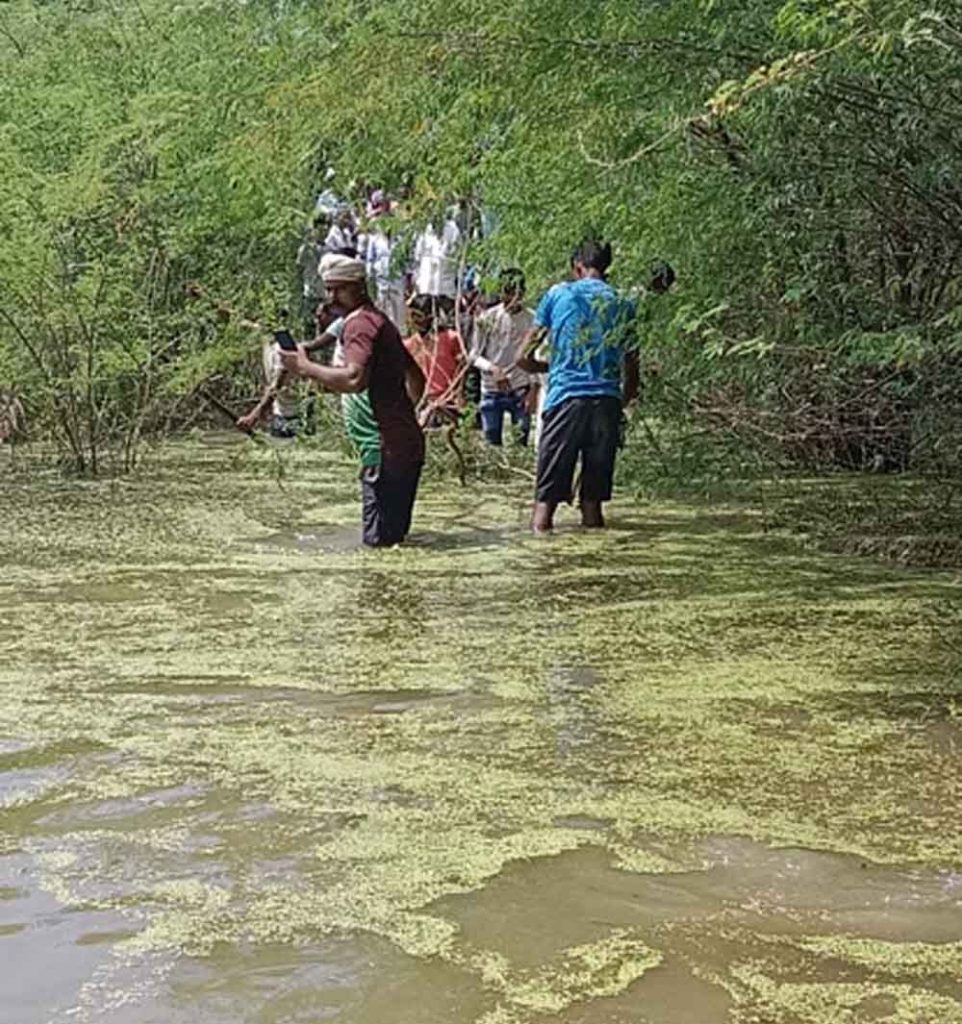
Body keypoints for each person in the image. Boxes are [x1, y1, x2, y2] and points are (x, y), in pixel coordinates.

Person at [279, 254, 426, 548]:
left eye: (340, 289)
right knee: (394, 542)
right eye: (329, 289)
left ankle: (377, 594)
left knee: (378, 547)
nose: (332, 297)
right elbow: (416, 377)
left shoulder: (360, 325)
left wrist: (304, 368)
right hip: (402, 445)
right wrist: (406, 417)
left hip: (384, 449)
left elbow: (353, 379)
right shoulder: (380, 320)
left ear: (359, 286)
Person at [518, 239, 639, 533]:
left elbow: (522, 357)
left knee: (545, 502)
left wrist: (549, 367)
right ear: (606, 267)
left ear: (577, 267)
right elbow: (632, 366)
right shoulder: (623, 302)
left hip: (566, 401)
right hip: (606, 402)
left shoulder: (559, 294)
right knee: (593, 503)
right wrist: (620, 401)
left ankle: (541, 559)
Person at [470, 268, 536, 446]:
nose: (513, 298)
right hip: (491, 390)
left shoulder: (532, 319)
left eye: (517, 292)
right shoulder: (488, 318)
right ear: (500, 292)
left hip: (520, 389)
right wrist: (493, 369)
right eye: (508, 292)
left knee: (520, 443)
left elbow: (535, 355)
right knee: (492, 445)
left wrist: (533, 390)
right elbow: (474, 355)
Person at [404, 294, 466, 427]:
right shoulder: (409, 345)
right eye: (412, 316)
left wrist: (458, 394)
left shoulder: (451, 338)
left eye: (418, 316)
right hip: (422, 404)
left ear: (431, 317)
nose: (415, 321)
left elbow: (461, 369)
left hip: (448, 402)